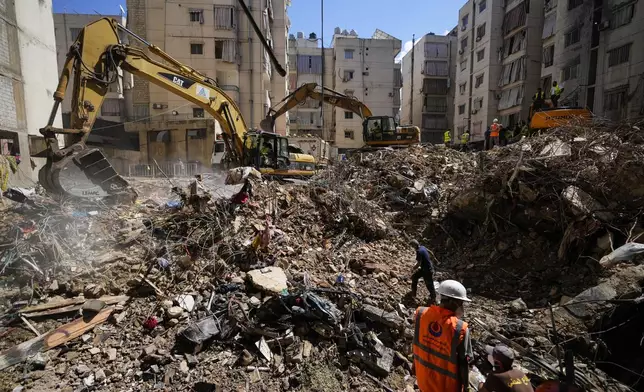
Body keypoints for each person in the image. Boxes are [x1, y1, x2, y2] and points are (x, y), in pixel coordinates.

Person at [413, 280, 472, 392]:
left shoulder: (421, 314)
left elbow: (416, 342)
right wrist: (466, 386)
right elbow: (464, 362)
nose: (461, 306)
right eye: (460, 303)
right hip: (446, 386)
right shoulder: (460, 328)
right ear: (452, 302)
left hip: (423, 380)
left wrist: (414, 366)